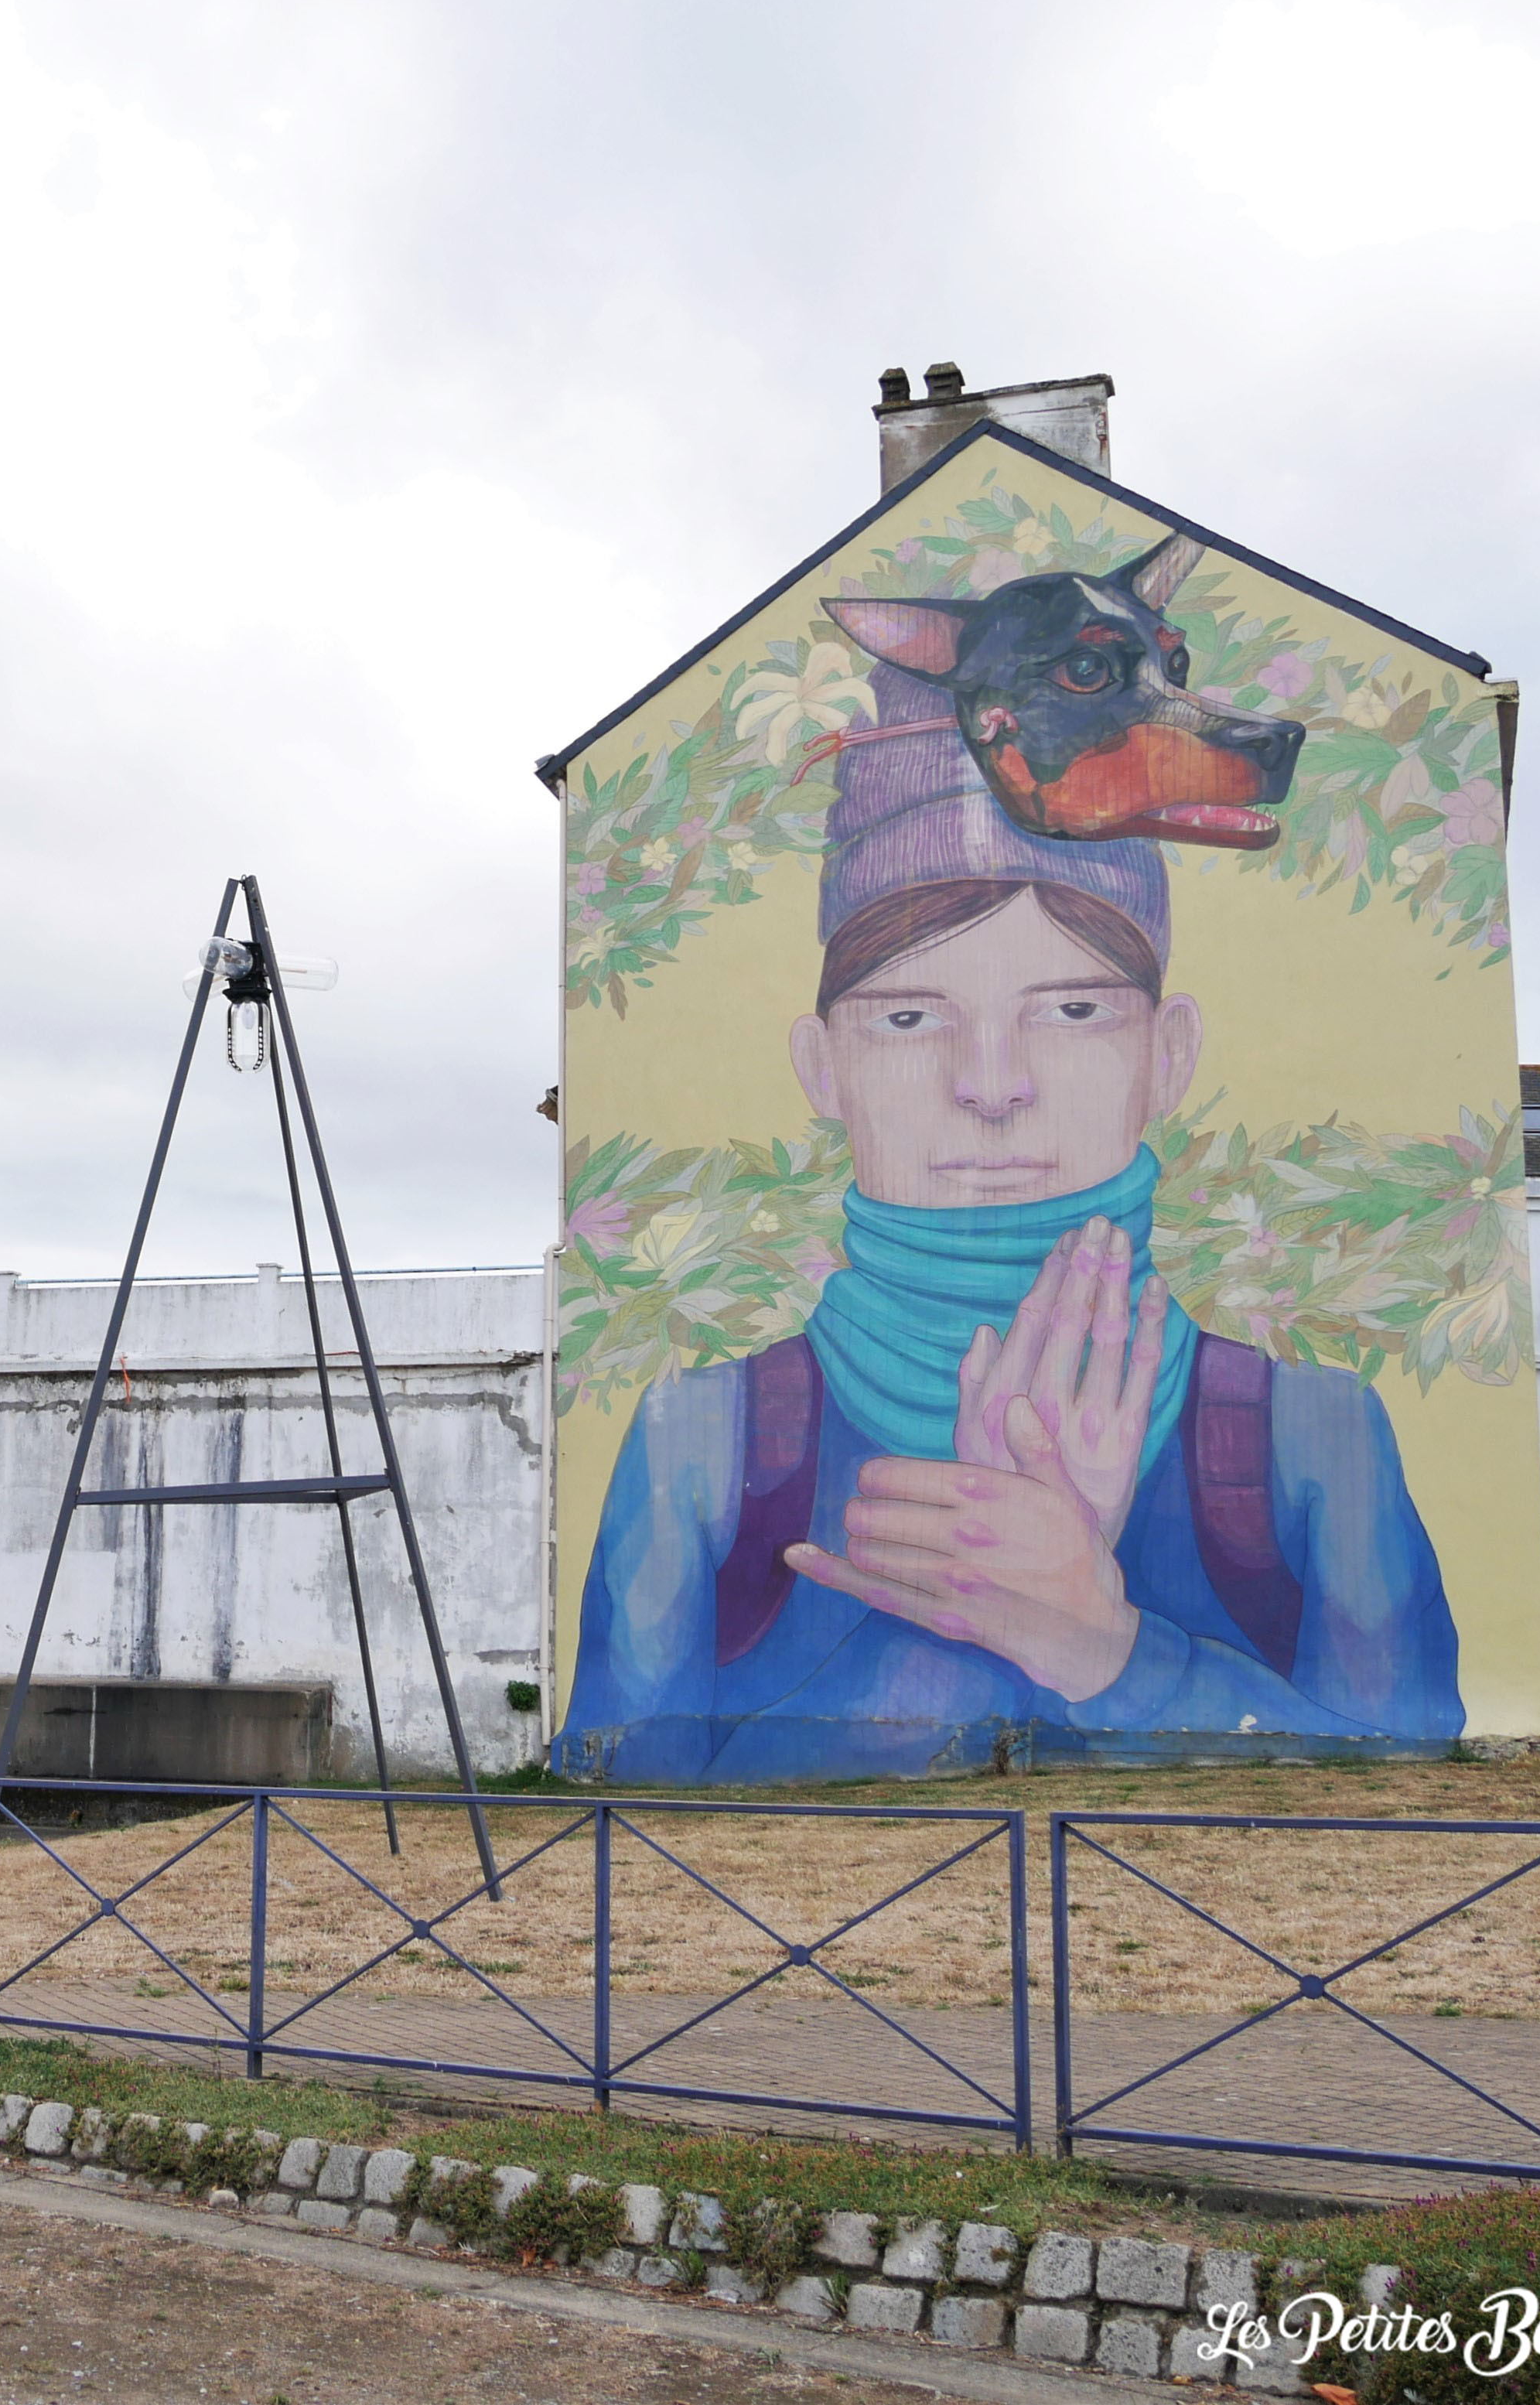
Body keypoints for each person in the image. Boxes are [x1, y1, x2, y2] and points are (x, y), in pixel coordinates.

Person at [558, 694, 1463, 1782]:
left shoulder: (1309, 1440)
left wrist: (1101, 1639)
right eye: (907, 1018)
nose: (991, 1086)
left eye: (1072, 1011)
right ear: (820, 1067)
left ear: (1166, 1056)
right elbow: (626, 1803)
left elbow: (1399, 1784)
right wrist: (978, 1607)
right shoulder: (700, 1442)